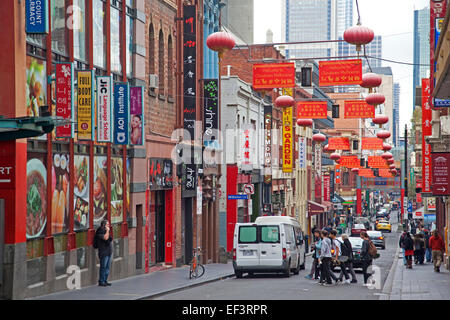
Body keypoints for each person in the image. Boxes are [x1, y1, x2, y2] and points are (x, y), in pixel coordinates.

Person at [95, 219, 113, 286]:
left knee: (107, 267)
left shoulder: (106, 231)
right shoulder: (100, 231)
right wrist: (108, 230)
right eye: (107, 224)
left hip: (109, 252)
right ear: (104, 225)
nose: (109, 226)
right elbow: (105, 238)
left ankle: (105, 280)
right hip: (103, 252)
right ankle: (101, 281)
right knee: (103, 267)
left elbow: (110, 239)